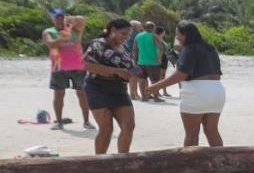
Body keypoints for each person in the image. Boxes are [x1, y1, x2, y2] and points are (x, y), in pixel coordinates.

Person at [146, 22, 224, 146]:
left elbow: (181, 75)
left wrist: (156, 86)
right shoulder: (210, 48)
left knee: (192, 134)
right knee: (212, 131)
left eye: (178, 35)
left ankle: (190, 164)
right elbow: (217, 73)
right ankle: (220, 162)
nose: (176, 38)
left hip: (197, 92)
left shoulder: (189, 49)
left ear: (185, 35)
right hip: (217, 90)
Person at [82, 18, 146, 154]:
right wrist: (115, 71)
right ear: (113, 31)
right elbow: (85, 65)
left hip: (119, 90)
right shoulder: (98, 44)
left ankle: (122, 160)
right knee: (106, 129)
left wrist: (136, 72)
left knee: (129, 126)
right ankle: (100, 162)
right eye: (124, 34)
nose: (126, 37)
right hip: (98, 88)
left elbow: (131, 67)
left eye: (128, 35)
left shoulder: (124, 47)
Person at [40, 9, 93, 129]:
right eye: (56, 17)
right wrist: (63, 38)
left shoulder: (75, 30)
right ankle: (58, 122)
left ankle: (87, 121)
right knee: (59, 94)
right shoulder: (48, 31)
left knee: (82, 94)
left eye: (61, 17)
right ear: (52, 19)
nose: (59, 19)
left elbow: (82, 19)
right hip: (58, 67)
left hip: (78, 66)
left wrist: (70, 20)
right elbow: (51, 44)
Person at [134, 20, 164, 101]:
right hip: (153, 62)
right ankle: (156, 97)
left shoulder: (138, 36)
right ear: (153, 28)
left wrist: (134, 61)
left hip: (141, 62)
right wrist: (159, 58)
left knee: (141, 80)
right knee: (154, 80)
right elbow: (160, 47)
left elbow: (135, 50)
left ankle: (144, 97)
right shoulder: (154, 36)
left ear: (144, 27)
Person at [153, 23, 175, 98]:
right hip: (160, 58)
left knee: (163, 76)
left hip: (164, 58)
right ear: (161, 32)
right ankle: (157, 91)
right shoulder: (156, 39)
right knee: (159, 76)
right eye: (164, 31)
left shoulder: (161, 39)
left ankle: (164, 91)